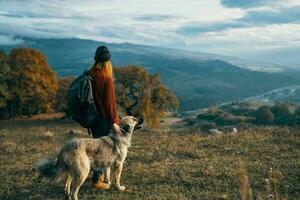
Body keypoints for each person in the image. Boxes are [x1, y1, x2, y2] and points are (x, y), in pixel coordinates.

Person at [89, 45, 122, 189]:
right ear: (107, 61)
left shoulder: (90, 73)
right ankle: (96, 181)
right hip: (103, 120)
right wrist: (114, 122)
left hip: (92, 119)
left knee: (97, 148)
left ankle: (98, 177)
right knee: (103, 151)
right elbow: (110, 104)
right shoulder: (105, 77)